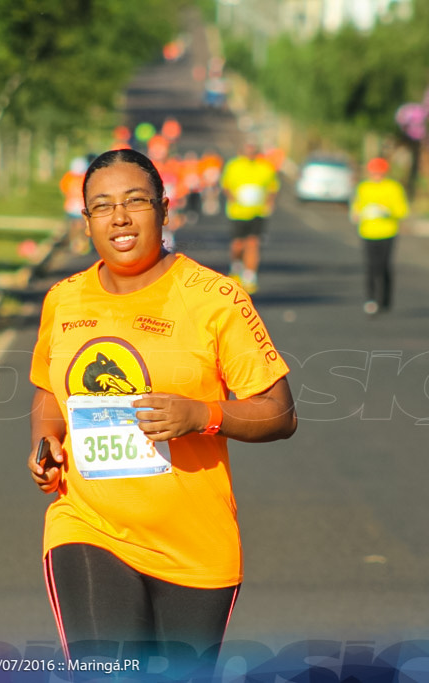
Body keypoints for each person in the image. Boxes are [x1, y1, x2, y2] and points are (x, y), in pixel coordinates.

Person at [28, 148, 297, 675]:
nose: (119, 218)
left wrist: (202, 415)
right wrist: (47, 442)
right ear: (86, 220)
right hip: (89, 524)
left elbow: (279, 412)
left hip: (195, 549)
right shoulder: (64, 300)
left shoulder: (215, 298)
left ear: (165, 209)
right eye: (102, 206)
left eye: (135, 202)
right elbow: (48, 394)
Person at [350, 157, 410, 315]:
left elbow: (402, 210)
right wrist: (357, 214)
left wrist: (387, 212)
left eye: (379, 172)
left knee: (384, 266)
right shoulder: (363, 187)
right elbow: (357, 208)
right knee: (371, 266)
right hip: (368, 232)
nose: (376, 175)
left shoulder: (393, 188)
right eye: (373, 172)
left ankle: (385, 300)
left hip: (387, 232)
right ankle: (370, 299)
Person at [220, 141, 280, 294]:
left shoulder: (265, 167)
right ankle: (236, 266)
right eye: (248, 150)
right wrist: (233, 198)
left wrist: (269, 202)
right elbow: (226, 185)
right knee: (238, 245)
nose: (250, 153)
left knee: (253, 243)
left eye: (253, 150)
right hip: (238, 212)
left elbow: (273, 187)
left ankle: (250, 277)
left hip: (258, 212)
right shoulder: (234, 166)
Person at [60, 157, 89, 255]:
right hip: (72, 206)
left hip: (82, 205)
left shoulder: (85, 177)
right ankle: (74, 244)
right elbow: (64, 189)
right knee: (73, 225)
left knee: (82, 225)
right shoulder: (68, 177)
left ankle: (83, 243)